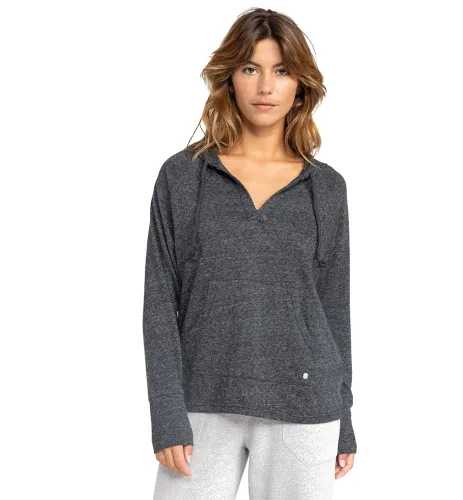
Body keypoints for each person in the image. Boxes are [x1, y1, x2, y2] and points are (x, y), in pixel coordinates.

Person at [142, 7, 357, 499]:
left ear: (299, 85)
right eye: (250, 68)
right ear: (229, 78)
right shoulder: (183, 177)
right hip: (202, 403)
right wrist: (167, 414)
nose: (265, 86)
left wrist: (344, 418)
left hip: (305, 407)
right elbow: (159, 303)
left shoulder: (326, 188)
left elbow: (333, 309)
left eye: (281, 71)